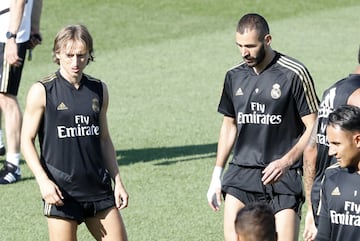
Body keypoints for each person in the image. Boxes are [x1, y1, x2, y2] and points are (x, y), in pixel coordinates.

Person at [206, 13, 319, 241]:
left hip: (283, 178)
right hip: (242, 173)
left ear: (267, 40)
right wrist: (216, 175)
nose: (244, 52)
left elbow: (315, 125)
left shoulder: (294, 73)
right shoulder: (234, 76)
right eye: (239, 45)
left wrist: (286, 161)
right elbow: (229, 125)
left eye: (250, 46)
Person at [21, 24, 129, 241]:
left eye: (81, 55)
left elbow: (105, 140)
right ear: (58, 54)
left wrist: (118, 181)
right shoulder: (42, 91)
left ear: (89, 54)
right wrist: (43, 182)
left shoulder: (99, 89)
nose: (75, 62)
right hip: (61, 192)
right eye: (69, 55)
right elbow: (26, 140)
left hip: (98, 189)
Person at [303, 46, 360, 241]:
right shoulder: (358, 97)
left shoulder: (331, 91)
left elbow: (310, 150)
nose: (331, 150)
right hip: (341, 192)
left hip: (325, 193)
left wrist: (311, 207)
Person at [0, 0, 42, 184]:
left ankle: (13, 165)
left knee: (7, 97)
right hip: (8, 32)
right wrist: (34, 26)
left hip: (8, 35)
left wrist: (12, 38)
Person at [315, 105, 360, 241]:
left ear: (358, 140)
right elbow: (323, 237)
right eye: (330, 144)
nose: (331, 152)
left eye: (336, 143)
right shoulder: (331, 177)